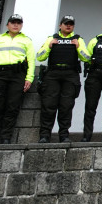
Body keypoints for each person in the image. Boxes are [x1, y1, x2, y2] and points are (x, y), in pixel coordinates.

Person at [0, 14, 36, 144]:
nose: (15, 25)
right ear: (7, 24)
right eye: (13, 22)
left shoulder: (26, 40)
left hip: (17, 75)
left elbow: (31, 61)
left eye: (18, 23)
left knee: (12, 107)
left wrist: (29, 78)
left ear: (21, 25)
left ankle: (6, 138)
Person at [36, 15, 89, 143]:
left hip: (70, 74)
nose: (68, 25)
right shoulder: (52, 38)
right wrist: (49, 46)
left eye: (71, 24)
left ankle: (64, 135)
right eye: (66, 23)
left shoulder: (78, 39)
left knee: (66, 106)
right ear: (60, 25)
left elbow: (87, 57)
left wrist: (78, 47)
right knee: (49, 105)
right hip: (53, 74)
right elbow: (39, 57)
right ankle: (45, 135)